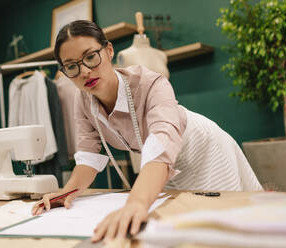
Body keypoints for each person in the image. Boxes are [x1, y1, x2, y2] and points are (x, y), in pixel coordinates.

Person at [32, 20, 263, 242]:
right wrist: (66, 193)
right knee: (176, 225)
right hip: (160, 167)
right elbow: (89, 157)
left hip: (203, 150)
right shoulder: (83, 101)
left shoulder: (151, 83)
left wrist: (136, 203)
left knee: (224, 225)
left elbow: (161, 145)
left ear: (109, 50)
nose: (84, 72)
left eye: (91, 57)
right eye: (71, 66)